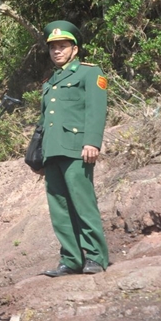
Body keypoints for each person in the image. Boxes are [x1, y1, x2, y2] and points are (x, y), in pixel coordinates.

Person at [38, 21, 109, 277]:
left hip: (77, 148)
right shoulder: (50, 81)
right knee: (59, 207)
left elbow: (96, 109)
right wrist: (38, 154)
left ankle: (95, 256)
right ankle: (71, 258)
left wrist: (92, 141)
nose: (57, 51)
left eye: (62, 46)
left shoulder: (89, 73)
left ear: (74, 49)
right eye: (53, 47)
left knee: (82, 202)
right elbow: (44, 120)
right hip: (53, 150)